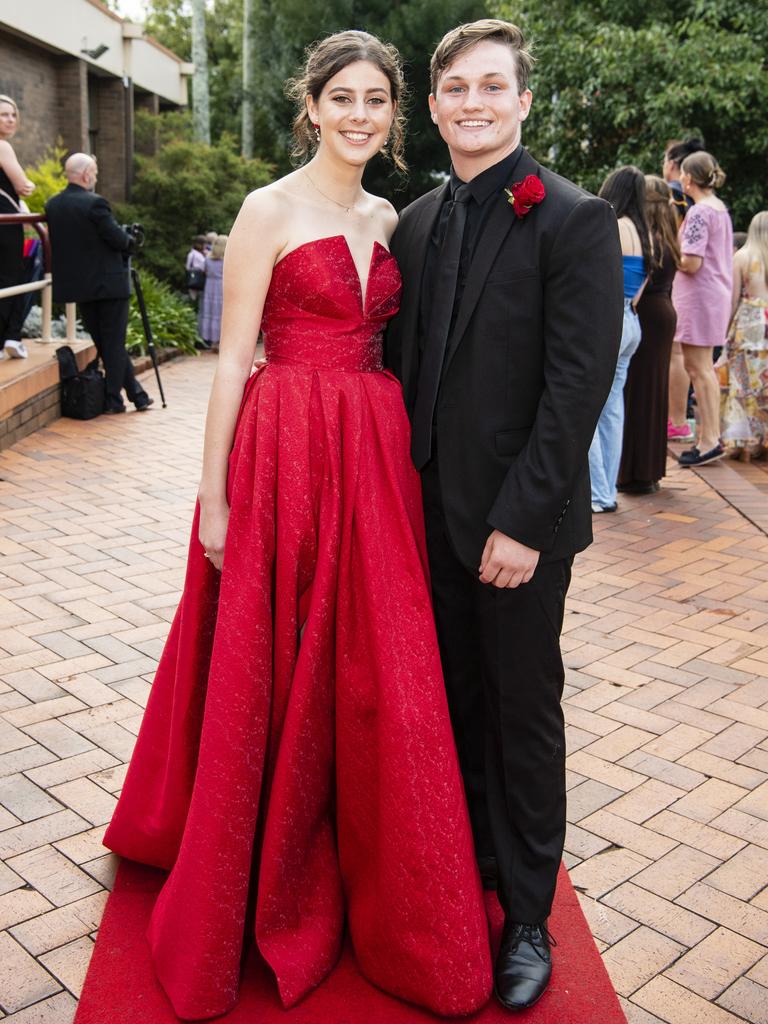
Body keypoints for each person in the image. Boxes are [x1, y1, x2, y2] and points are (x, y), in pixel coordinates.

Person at [103, 30, 491, 1021]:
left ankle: (387, 865)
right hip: (280, 449)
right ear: (309, 104)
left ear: (393, 114)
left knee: (374, 659)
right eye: (343, 99)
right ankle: (254, 854)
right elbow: (232, 363)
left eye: (376, 101)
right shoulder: (265, 209)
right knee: (269, 646)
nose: (360, 115)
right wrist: (217, 498)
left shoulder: (391, 216)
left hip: (371, 454)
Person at [386, 19, 622, 1010]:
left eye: (494, 86)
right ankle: (469, 868)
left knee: (523, 713)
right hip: (422, 516)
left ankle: (528, 912)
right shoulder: (415, 218)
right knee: (454, 703)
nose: (473, 102)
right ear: (435, 105)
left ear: (524, 102)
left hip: (518, 525)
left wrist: (523, 522)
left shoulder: (569, 219)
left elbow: (577, 386)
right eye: (456, 87)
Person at [45, 154, 153, 414]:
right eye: (94, 172)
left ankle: (137, 395)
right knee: (114, 344)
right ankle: (113, 401)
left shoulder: (53, 205)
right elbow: (117, 239)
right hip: (109, 286)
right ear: (85, 175)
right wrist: (130, 240)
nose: (95, 177)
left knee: (106, 344)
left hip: (80, 287)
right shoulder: (95, 204)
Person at [589, 166, 650, 512]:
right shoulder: (645, 231)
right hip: (632, 322)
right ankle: (606, 489)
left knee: (590, 408)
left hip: (612, 320)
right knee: (613, 409)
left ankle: (598, 492)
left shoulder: (613, 223)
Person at [618, 175, 681, 494]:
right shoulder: (669, 234)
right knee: (654, 392)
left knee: (637, 392)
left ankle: (633, 472)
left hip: (647, 313)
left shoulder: (647, 237)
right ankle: (649, 469)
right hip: (665, 312)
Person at [673, 151, 733, 466]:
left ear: (689, 178)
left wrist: (669, 252)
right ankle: (708, 436)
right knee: (703, 369)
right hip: (714, 293)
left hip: (699, 296)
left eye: (682, 174)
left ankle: (709, 439)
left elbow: (691, 262)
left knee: (699, 369)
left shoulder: (698, 213)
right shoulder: (719, 208)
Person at [721, 211, 768, 460]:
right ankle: (763, 439)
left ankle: (743, 440)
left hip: (749, 324)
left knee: (743, 383)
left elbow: (733, 299)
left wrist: (724, 331)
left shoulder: (742, 257)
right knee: (765, 385)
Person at [0, 94, 35, 360]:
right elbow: (23, 185)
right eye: (4, 115)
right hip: (6, 222)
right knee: (11, 278)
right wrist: (29, 187)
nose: (10, 120)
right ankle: (7, 338)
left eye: (13, 115)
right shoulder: (3, 147)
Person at [198, 233, 226, 348]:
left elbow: (203, 271)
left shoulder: (207, 259)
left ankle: (209, 339)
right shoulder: (226, 260)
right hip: (221, 286)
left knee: (209, 312)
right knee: (220, 314)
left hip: (209, 286)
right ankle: (220, 341)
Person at [185, 233, 207, 301]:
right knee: (193, 297)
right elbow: (188, 267)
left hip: (202, 279)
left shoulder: (203, 254)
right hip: (194, 277)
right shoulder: (192, 254)